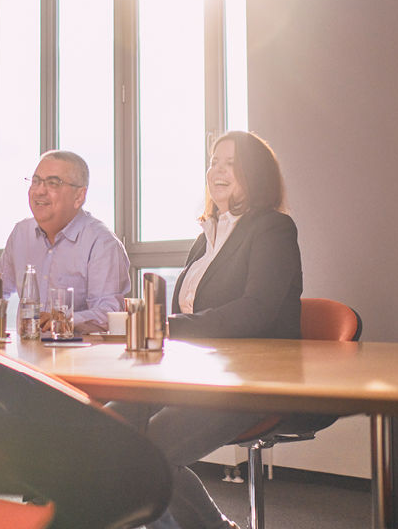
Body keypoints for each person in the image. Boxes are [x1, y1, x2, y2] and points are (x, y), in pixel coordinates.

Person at [110, 131, 302, 529]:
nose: (218, 170)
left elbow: (257, 311)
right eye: (215, 161)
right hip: (196, 374)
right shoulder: (206, 236)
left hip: (250, 381)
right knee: (106, 431)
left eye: (231, 163)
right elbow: (192, 308)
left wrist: (168, 326)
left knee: (149, 450)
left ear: (256, 174)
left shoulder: (273, 229)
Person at [0, 150, 129, 334]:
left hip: (76, 357)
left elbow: (110, 313)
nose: (39, 191)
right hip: (24, 355)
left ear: (79, 196)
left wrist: (65, 319)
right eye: (35, 181)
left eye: (53, 183)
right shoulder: (21, 233)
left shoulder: (102, 243)